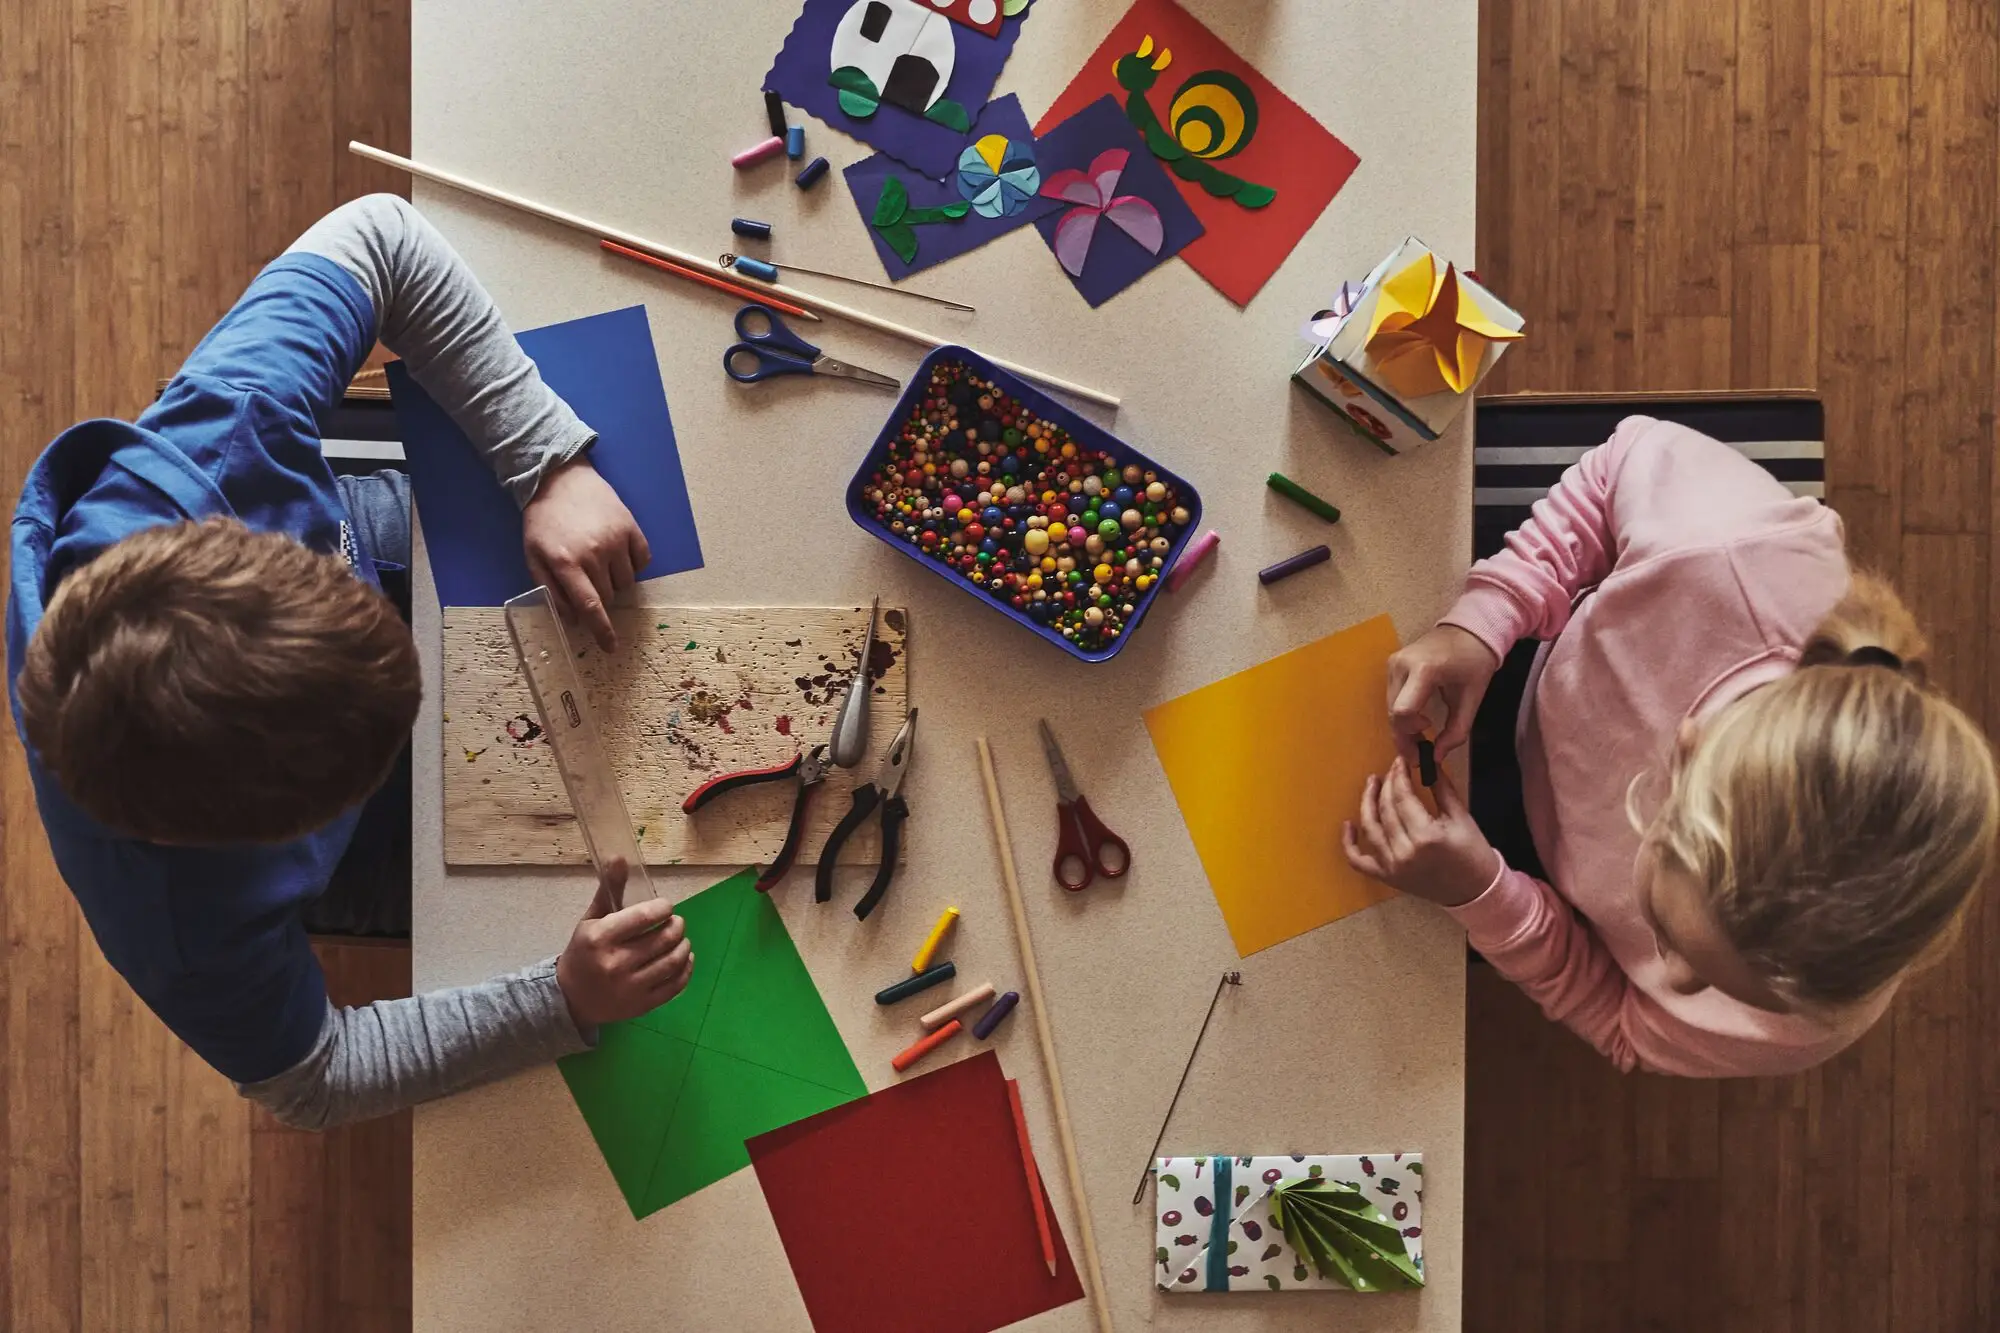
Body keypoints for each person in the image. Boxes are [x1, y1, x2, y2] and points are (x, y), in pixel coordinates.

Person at [9, 195, 694, 1129]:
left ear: (248, 542)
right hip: (367, 852)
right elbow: (312, 1080)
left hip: (362, 553)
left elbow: (384, 238)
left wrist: (543, 462)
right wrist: (561, 1000)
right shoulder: (182, 926)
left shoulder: (222, 443)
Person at [1342, 416, 2000, 1076]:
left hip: (1517, 869)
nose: (1676, 985)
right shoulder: (1729, 548)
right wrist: (1485, 622)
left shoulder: (1810, 1010)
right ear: (1685, 752)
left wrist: (1482, 890)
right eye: (1667, 930)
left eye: (1707, 976)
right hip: (1530, 654)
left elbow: (1624, 1025)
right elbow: (1611, 470)